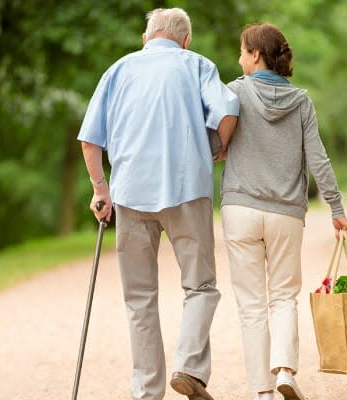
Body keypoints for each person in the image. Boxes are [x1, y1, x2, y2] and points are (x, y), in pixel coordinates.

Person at [77, 8, 238, 400]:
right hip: (186, 189)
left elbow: (90, 139)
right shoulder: (196, 64)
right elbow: (229, 110)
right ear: (185, 39)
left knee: (139, 298)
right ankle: (189, 367)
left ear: (147, 37)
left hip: (131, 193)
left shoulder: (118, 70)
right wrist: (217, 147)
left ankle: (147, 392)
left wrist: (101, 189)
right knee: (200, 286)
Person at [220, 23, 347, 400]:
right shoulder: (302, 101)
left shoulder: (235, 93)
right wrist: (336, 207)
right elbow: (319, 160)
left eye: (243, 51)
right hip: (286, 214)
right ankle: (284, 372)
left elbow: (216, 142)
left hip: (241, 208)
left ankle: (262, 392)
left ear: (257, 55)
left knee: (251, 305)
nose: (239, 58)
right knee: (282, 296)